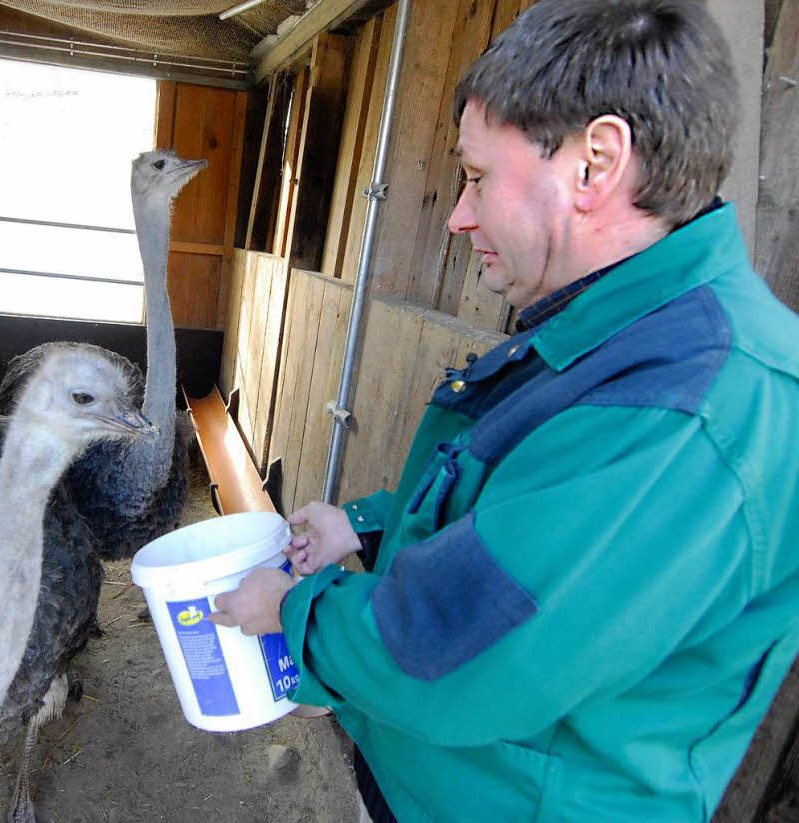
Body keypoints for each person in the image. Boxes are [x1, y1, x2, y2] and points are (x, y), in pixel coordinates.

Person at [210, 0, 799, 820]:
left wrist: (294, 614)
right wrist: (365, 525)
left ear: (596, 163)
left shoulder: (692, 405)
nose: (457, 215)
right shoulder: (616, 331)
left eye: (479, 177)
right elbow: (519, 514)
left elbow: (459, 648)